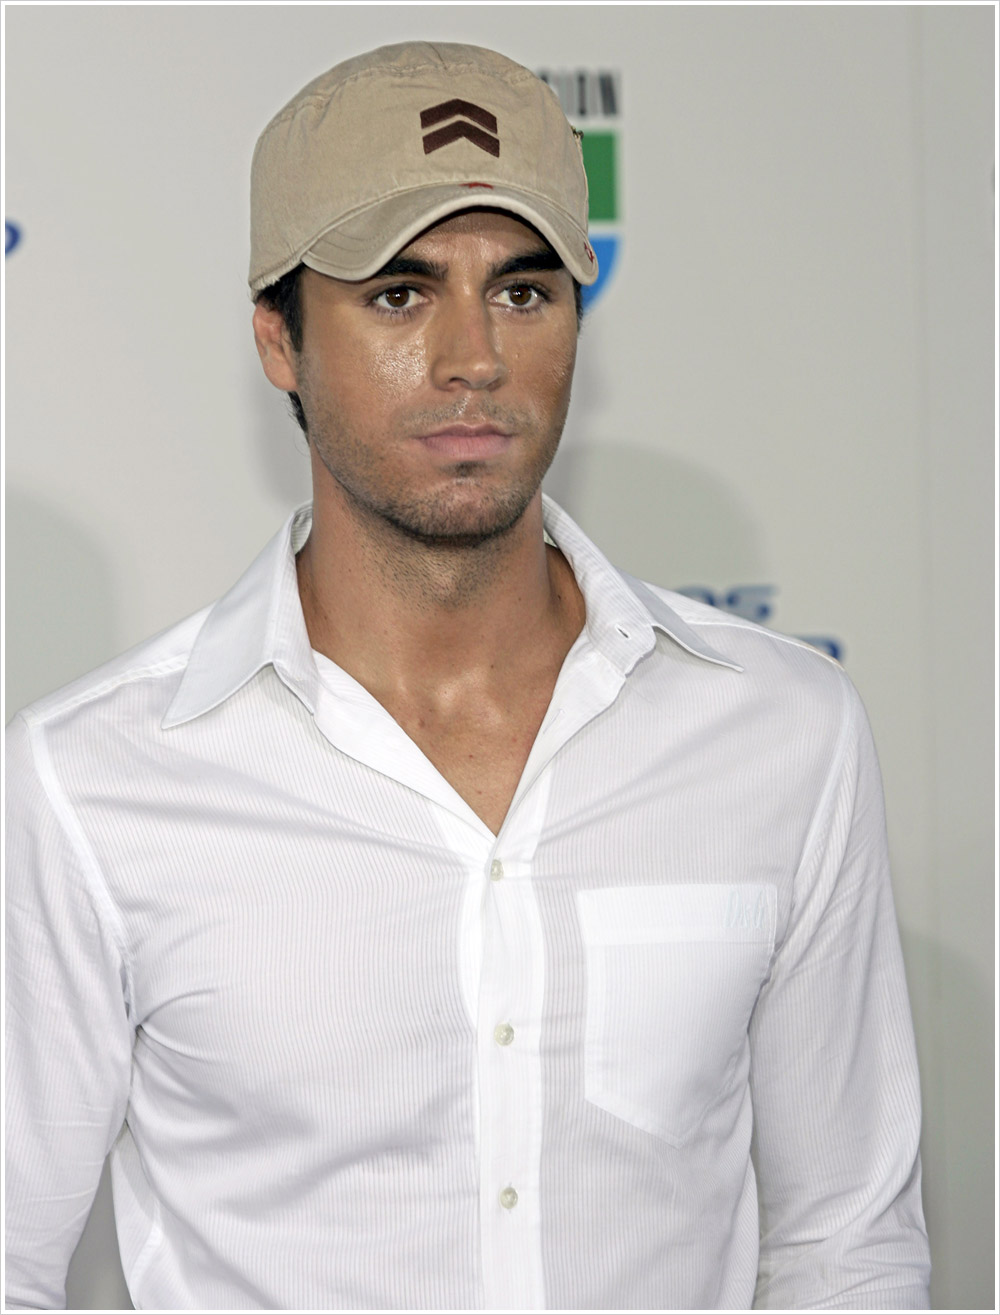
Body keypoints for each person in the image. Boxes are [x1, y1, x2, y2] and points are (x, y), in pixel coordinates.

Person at [5, 41, 930, 1311]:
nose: (474, 358)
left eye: (523, 290)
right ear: (278, 337)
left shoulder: (780, 730)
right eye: (399, 293)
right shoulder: (93, 779)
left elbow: (849, 1246)